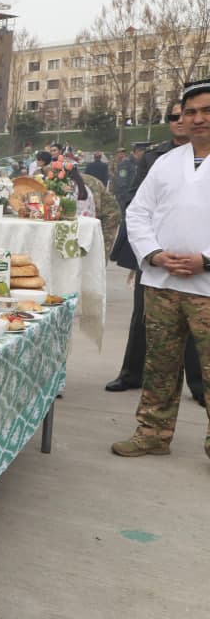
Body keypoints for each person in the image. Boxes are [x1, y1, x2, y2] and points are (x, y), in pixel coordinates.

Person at [111, 79, 210, 456]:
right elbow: (138, 213)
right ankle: (152, 433)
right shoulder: (166, 163)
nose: (197, 119)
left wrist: (205, 259)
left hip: (206, 286)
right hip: (163, 282)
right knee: (160, 364)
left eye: (206, 111)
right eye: (190, 112)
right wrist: (153, 253)